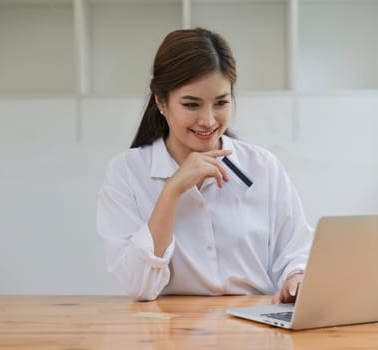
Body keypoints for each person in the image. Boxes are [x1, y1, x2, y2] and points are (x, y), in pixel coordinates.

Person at [96, 27, 313, 303]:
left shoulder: (262, 166)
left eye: (221, 102)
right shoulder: (126, 173)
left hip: (254, 329)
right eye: (191, 105)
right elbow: (138, 285)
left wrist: (296, 276)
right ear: (162, 102)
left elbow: (296, 250)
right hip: (167, 333)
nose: (208, 121)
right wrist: (172, 190)